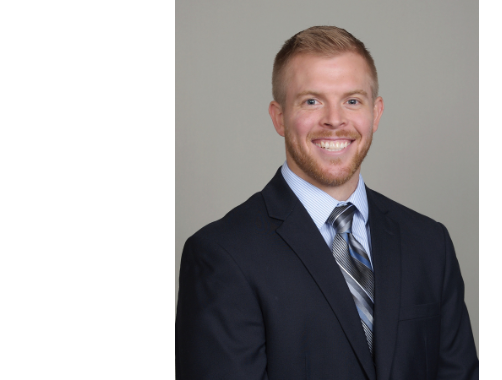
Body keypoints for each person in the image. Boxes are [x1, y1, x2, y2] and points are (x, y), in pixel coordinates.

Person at [176, 26, 479, 380]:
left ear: (376, 113)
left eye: (352, 101)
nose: (335, 120)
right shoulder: (221, 255)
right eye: (311, 101)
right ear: (278, 117)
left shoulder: (429, 244)